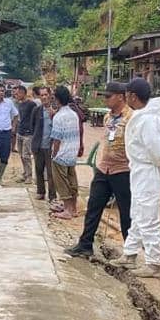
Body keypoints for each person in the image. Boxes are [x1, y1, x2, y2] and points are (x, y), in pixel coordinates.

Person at [66, 82, 134, 261]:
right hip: (105, 168)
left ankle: (129, 252)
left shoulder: (131, 118)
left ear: (120, 96)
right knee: (94, 206)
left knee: (126, 212)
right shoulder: (108, 118)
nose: (105, 100)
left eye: (108, 96)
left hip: (123, 170)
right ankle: (85, 243)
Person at [118, 77, 160, 278]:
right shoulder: (145, 116)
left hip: (149, 173)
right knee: (138, 212)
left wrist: (155, 167)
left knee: (148, 215)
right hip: (141, 171)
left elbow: (159, 152)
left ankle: (152, 263)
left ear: (133, 96)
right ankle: (130, 252)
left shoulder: (148, 119)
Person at [50, 85, 82, 219]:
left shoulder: (59, 117)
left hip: (61, 154)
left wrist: (54, 153)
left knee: (62, 182)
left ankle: (68, 210)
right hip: (72, 152)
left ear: (57, 99)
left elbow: (57, 139)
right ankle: (73, 208)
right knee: (72, 179)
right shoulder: (73, 114)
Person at [31, 85, 58, 205]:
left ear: (50, 95)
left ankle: (52, 196)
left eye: (46, 95)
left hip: (51, 146)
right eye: (41, 95)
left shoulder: (56, 111)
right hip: (39, 145)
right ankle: (40, 191)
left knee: (51, 172)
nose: (44, 97)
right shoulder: (37, 110)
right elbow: (33, 127)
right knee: (38, 169)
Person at [14, 85, 38, 184]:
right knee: (21, 155)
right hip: (20, 132)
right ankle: (25, 173)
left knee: (26, 155)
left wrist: (33, 130)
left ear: (23, 93)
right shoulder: (19, 104)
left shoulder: (31, 104)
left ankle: (29, 176)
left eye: (18, 93)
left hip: (28, 133)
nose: (16, 95)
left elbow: (35, 117)